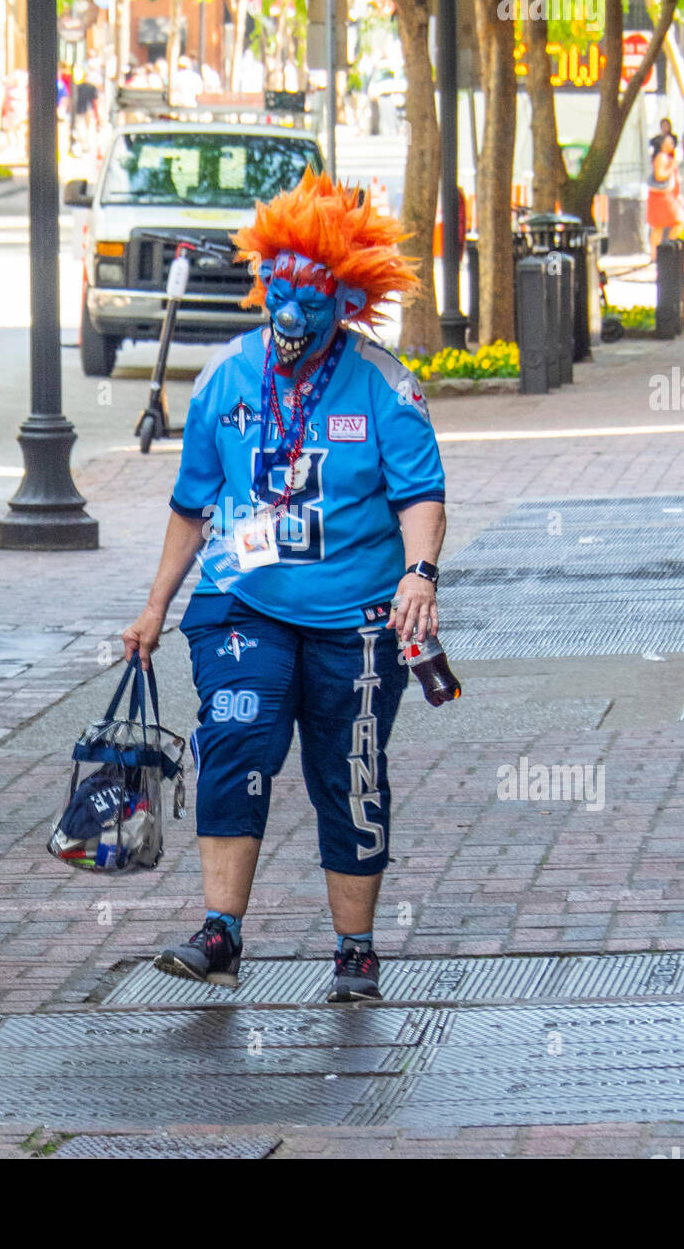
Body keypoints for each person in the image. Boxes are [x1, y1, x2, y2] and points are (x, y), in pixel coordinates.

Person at [124, 170, 447, 1003]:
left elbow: (419, 495)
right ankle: (220, 932)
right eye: (280, 291)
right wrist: (156, 604)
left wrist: (420, 574)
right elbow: (192, 505)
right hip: (244, 601)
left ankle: (355, 950)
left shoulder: (384, 382)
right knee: (235, 738)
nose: (292, 314)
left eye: (314, 297)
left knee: (350, 771)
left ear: (344, 299)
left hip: (359, 617)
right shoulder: (225, 379)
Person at [646, 133, 684, 256]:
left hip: (668, 195)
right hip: (662, 197)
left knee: (660, 226)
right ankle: (664, 249)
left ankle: (658, 252)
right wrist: (672, 167)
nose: (672, 145)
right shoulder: (661, 157)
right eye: (669, 142)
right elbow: (660, 175)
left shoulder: (666, 157)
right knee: (678, 220)